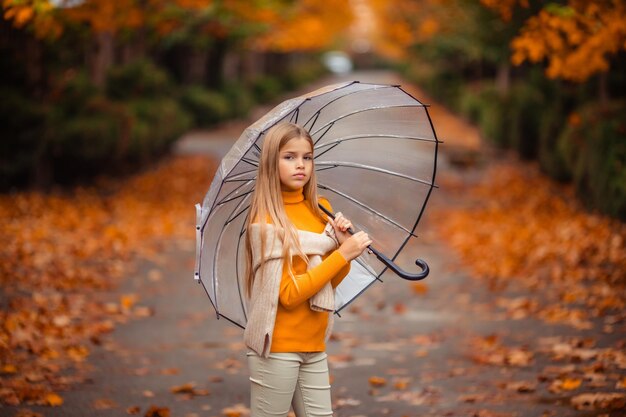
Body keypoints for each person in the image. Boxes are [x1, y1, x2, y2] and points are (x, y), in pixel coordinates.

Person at [243, 122, 372, 417]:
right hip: (277, 348)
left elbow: (329, 282)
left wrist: (342, 249)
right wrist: (342, 256)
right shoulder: (265, 221)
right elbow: (288, 295)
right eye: (289, 157)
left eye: (307, 157)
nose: (300, 165)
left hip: (314, 344)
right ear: (271, 163)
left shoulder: (321, 211)